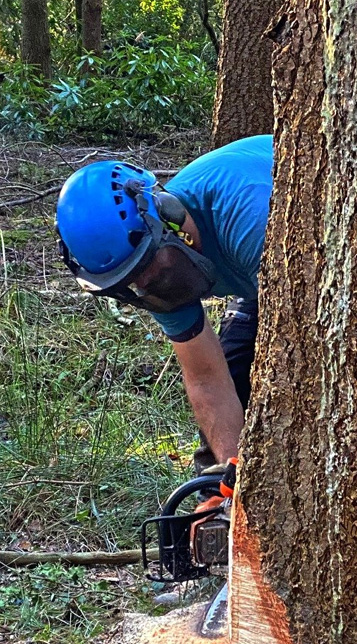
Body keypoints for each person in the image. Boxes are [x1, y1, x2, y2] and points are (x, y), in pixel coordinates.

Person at [55, 135, 273, 475]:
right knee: (225, 427)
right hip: (261, 280)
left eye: (144, 269)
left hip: (315, 273)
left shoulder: (247, 216)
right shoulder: (149, 267)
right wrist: (232, 473)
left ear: (168, 215)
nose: (142, 285)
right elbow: (206, 378)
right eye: (126, 283)